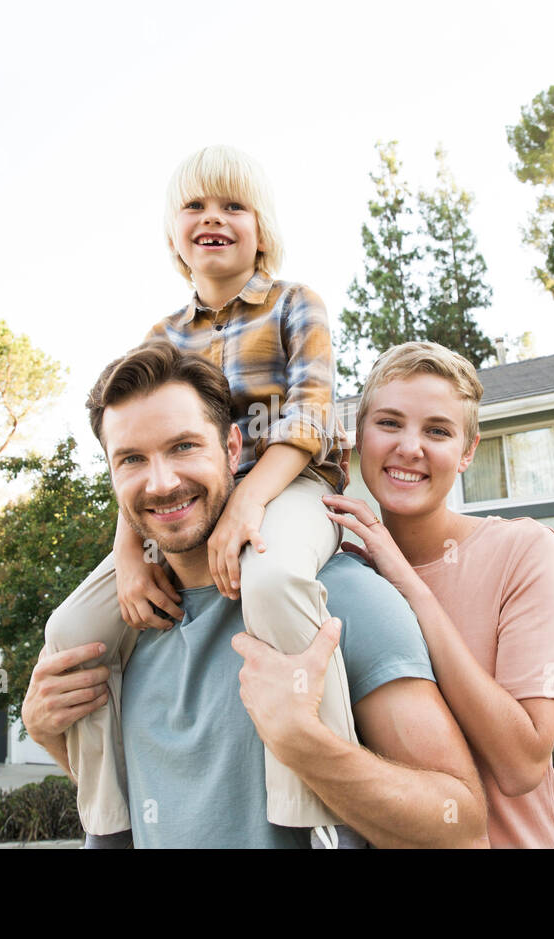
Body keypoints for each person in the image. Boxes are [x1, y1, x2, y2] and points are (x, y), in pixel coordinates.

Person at [22, 339, 488, 848]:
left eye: (183, 447)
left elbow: (461, 828)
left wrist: (306, 744)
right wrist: (48, 734)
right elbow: (153, 804)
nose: (161, 482)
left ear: (231, 448)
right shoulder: (118, 627)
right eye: (132, 459)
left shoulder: (336, 600)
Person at [50, 145, 363, 847]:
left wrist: (251, 502)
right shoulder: (163, 336)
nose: (212, 218)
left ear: (262, 229)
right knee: (71, 632)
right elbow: (136, 452)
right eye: (195, 206)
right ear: (173, 235)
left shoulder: (294, 303)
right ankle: (110, 825)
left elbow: (313, 415)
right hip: (198, 505)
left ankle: (317, 813)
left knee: (275, 578)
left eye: (232, 206)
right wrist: (130, 551)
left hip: (293, 487)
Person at [321, 342, 554, 848]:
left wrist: (407, 583)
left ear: (467, 452)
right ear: (358, 438)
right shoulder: (337, 574)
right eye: (389, 423)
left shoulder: (523, 551)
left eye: (437, 431)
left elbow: (523, 764)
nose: (410, 447)